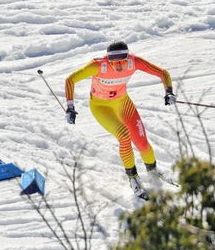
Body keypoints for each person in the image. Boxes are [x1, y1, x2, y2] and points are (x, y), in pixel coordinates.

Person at [64, 41, 176, 200]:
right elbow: (70, 80)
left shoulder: (133, 62)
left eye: (121, 61)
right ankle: (133, 178)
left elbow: (163, 73)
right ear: (107, 60)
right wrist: (70, 106)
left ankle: (153, 171)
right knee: (124, 136)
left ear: (127, 57)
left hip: (123, 104)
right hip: (101, 107)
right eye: (113, 62)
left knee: (142, 142)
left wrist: (169, 92)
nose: (117, 65)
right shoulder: (98, 66)